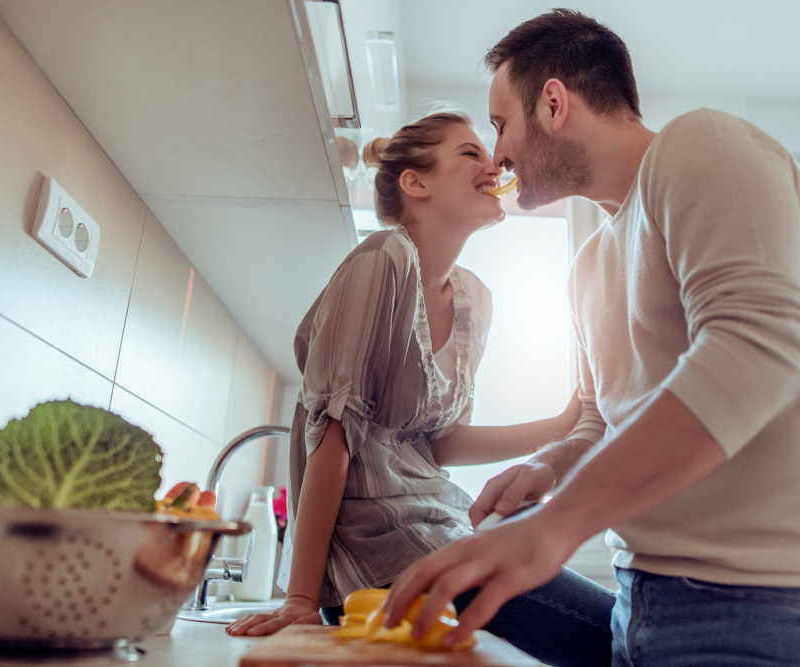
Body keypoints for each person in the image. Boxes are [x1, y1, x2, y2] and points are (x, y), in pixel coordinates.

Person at [383, 11, 800, 666]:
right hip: (642, 605)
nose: (496, 156)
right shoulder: (587, 268)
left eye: (499, 123)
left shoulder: (700, 145)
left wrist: (552, 527)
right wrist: (549, 466)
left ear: (553, 102)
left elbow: (756, 349)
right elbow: (603, 418)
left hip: (780, 609)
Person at [225, 112, 616, 667]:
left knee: (614, 631)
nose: (495, 164)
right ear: (417, 182)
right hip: (380, 561)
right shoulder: (383, 258)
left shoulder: (475, 301)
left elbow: (439, 444)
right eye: (470, 153)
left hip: (445, 533)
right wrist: (301, 599)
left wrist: (559, 427)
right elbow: (332, 436)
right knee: (615, 637)